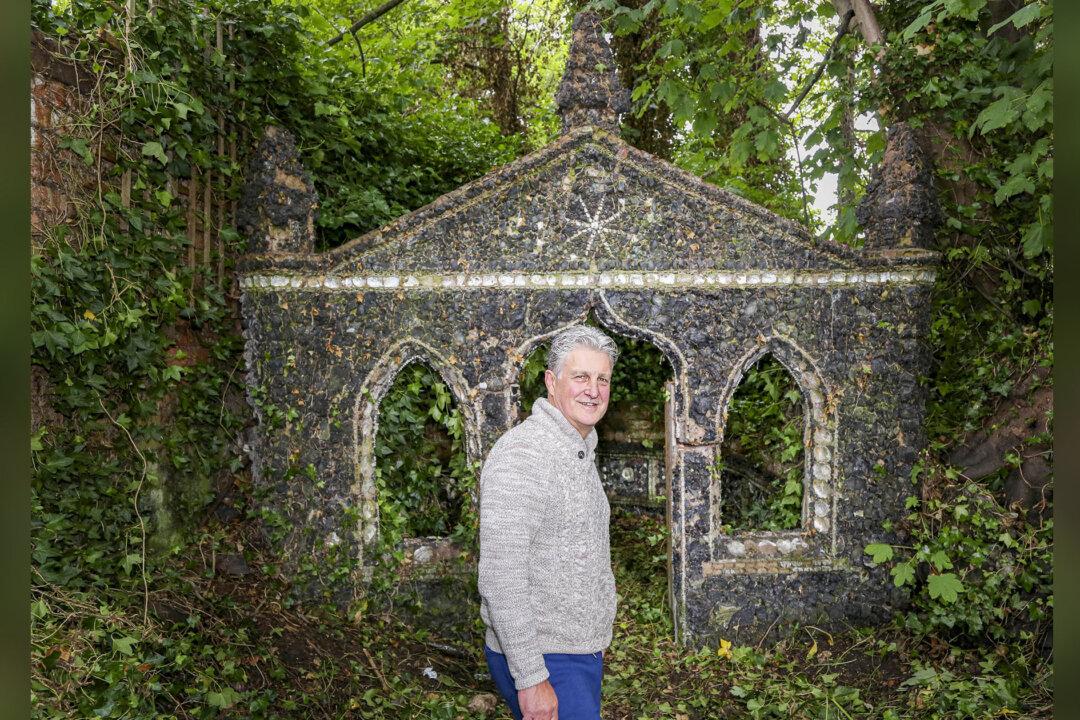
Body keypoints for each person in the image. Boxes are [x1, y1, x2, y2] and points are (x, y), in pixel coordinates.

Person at [478, 325, 619, 720]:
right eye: (580, 377)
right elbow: (500, 578)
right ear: (551, 382)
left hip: (577, 650)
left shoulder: (578, 449)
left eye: (602, 378)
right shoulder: (523, 455)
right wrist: (531, 679)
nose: (593, 389)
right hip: (545, 657)